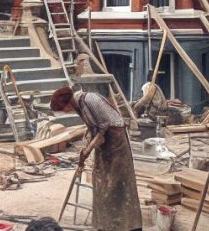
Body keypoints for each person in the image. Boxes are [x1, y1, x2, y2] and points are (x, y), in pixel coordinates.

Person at [50, 87, 142, 231]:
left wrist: (87, 151)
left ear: (67, 103)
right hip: (105, 144)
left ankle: (127, 225)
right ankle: (105, 225)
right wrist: (84, 146)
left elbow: (103, 129)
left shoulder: (90, 99)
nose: (66, 112)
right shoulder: (79, 105)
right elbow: (93, 128)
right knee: (101, 184)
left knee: (117, 185)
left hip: (116, 142)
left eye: (64, 109)